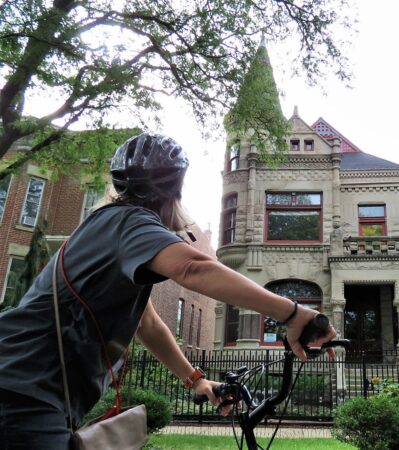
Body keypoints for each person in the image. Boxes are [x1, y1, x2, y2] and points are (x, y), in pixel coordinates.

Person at [0, 133, 337, 450]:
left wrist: (196, 380)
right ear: (174, 191)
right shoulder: (127, 222)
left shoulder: (110, 229)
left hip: (28, 387)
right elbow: (193, 268)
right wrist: (293, 314)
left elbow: (148, 326)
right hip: (21, 392)